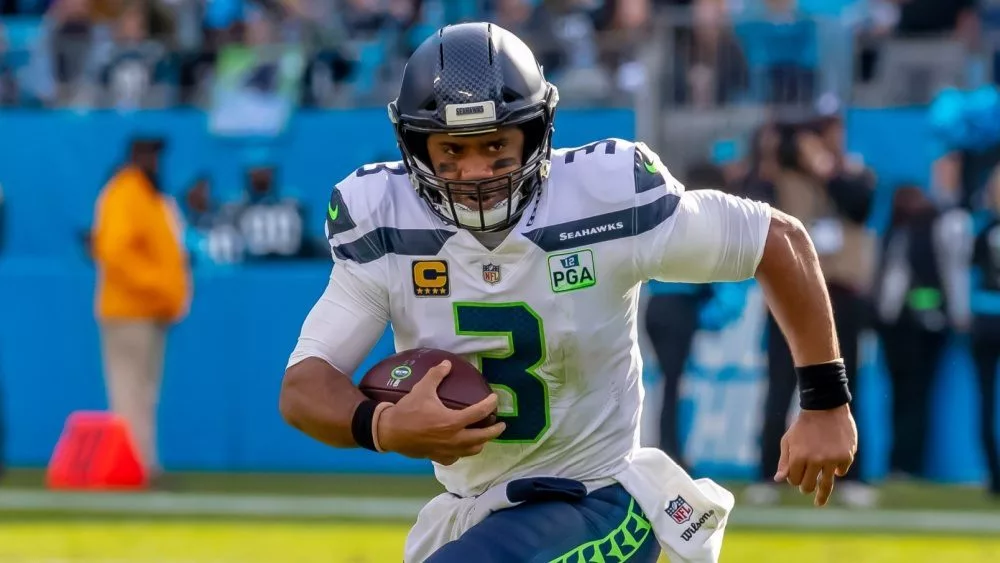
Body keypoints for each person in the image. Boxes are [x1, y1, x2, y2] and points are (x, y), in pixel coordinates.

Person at [280, 23, 858, 563]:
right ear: (417, 146)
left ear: (535, 135)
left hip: (599, 496)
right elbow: (305, 384)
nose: (476, 170)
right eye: (452, 150)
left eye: (494, 145)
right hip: (477, 513)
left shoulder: (604, 199)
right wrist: (378, 428)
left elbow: (776, 240)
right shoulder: (384, 221)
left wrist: (825, 400)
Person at [92, 137, 191, 482]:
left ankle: (143, 465)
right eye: (149, 153)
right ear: (134, 155)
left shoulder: (150, 195)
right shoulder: (124, 191)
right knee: (129, 391)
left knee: (142, 393)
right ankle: (134, 467)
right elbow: (114, 252)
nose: (155, 160)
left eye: (158, 154)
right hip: (128, 310)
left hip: (149, 311)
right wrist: (159, 287)